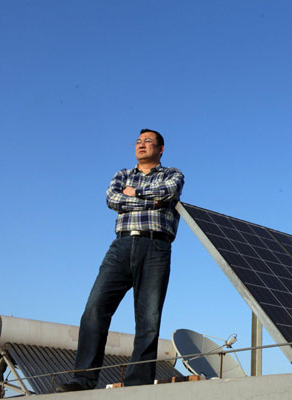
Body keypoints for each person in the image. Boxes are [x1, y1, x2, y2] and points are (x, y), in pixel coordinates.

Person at [56, 129, 184, 392]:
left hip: (156, 246)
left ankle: (139, 384)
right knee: (94, 310)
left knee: (148, 319)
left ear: (161, 149)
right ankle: (83, 379)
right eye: (138, 141)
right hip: (121, 246)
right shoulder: (122, 175)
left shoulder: (173, 174)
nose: (141, 145)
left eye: (148, 141)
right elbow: (112, 199)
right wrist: (149, 199)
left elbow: (168, 192)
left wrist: (133, 195)